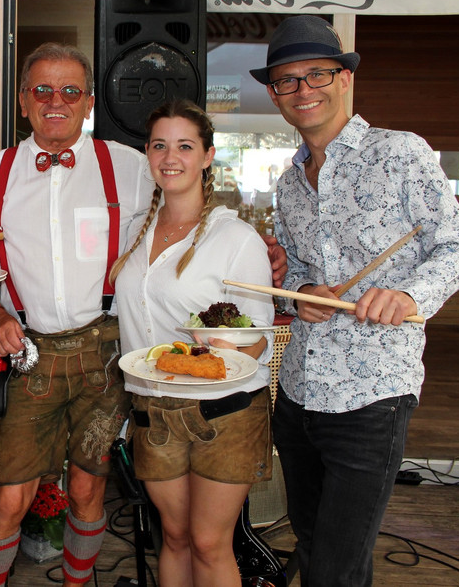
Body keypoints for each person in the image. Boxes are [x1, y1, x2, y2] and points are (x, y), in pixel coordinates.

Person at [250, 14, 459, 585]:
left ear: (345, 79)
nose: (303, 89)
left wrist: (407, 294)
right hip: (299, 391)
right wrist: (301, 293)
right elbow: (298, 271)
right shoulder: (288, 184)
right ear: (275, 94)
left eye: (317, 74)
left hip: (373, 395)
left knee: (336, 567)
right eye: (286, 80)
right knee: (313, 544)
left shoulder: (401, 153)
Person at [0, 42, 155, 587]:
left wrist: (257, 246)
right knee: (10, 498)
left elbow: (184, 222)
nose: (57, 101)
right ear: (24, 101)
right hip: (30, 356)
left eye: (71, 90)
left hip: (105, 355)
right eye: (43, 90)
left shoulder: (130, 167)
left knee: (87, 489)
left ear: (89, 101)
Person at [111, 99, 275, 586]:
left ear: (207, 156)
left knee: (208, 542)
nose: (170, 157)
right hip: (153, 407)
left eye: (185, 146)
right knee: (175, 537)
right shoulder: (134, 232)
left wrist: (218, 353)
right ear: (147, 153)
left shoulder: (236, 238)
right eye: (159, 146)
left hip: (223, 413)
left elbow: (258, 339)